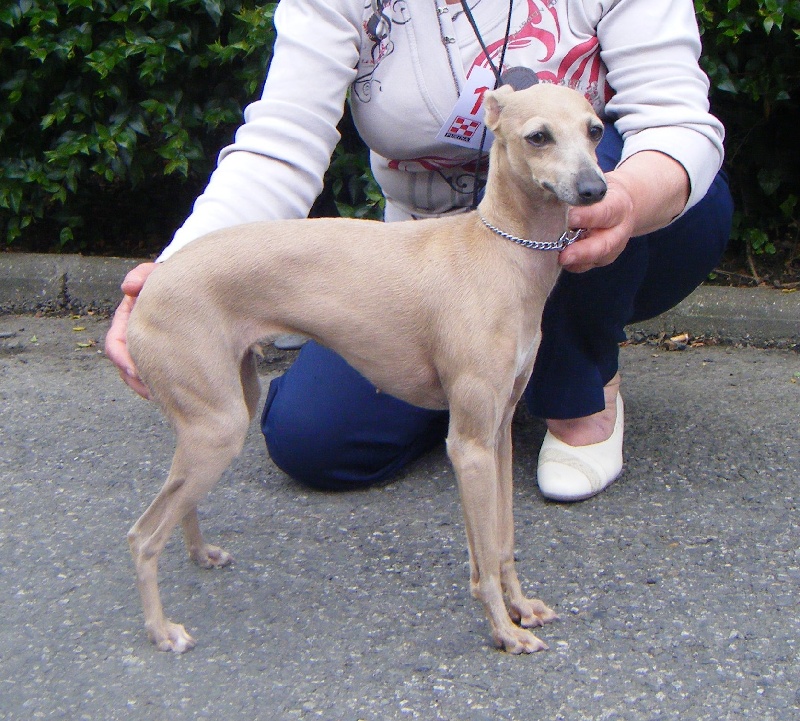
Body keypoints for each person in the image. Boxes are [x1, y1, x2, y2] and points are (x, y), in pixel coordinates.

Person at [105, 0, 733, 501]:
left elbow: (676, 120)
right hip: (431, 254)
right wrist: (178, 280)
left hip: (608, 213)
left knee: (584, 175)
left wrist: (625, 198)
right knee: (314, 441)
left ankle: (580, 392)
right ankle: (475, 374)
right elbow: (280, 144)